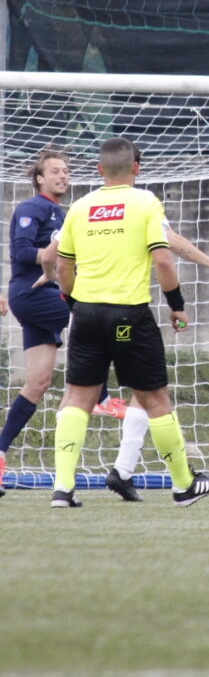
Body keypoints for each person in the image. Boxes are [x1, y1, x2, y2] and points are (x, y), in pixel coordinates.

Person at [51, 136, 209, 508]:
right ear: (136, 168)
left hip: (87, 314)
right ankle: (184, 486)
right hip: (129, 314)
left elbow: (62, 266)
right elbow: (163, 260)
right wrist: (177, 306)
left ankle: (62, 489)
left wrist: (75, 302)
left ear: (99, 170)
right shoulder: (146, 202)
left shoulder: (80, 207)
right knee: (155, 399)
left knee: (77, 398)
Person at [0, 149, 125, 498]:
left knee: (37, 383)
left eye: (66, 171)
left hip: (48, 295)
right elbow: (23, 252)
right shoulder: (32, 208)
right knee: (95, 320)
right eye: (54, 171)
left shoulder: (67, 213)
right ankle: (101, 396)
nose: (62, 175)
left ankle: (0, 452)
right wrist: (53, 253)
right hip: (33, 293)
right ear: (39, 178)